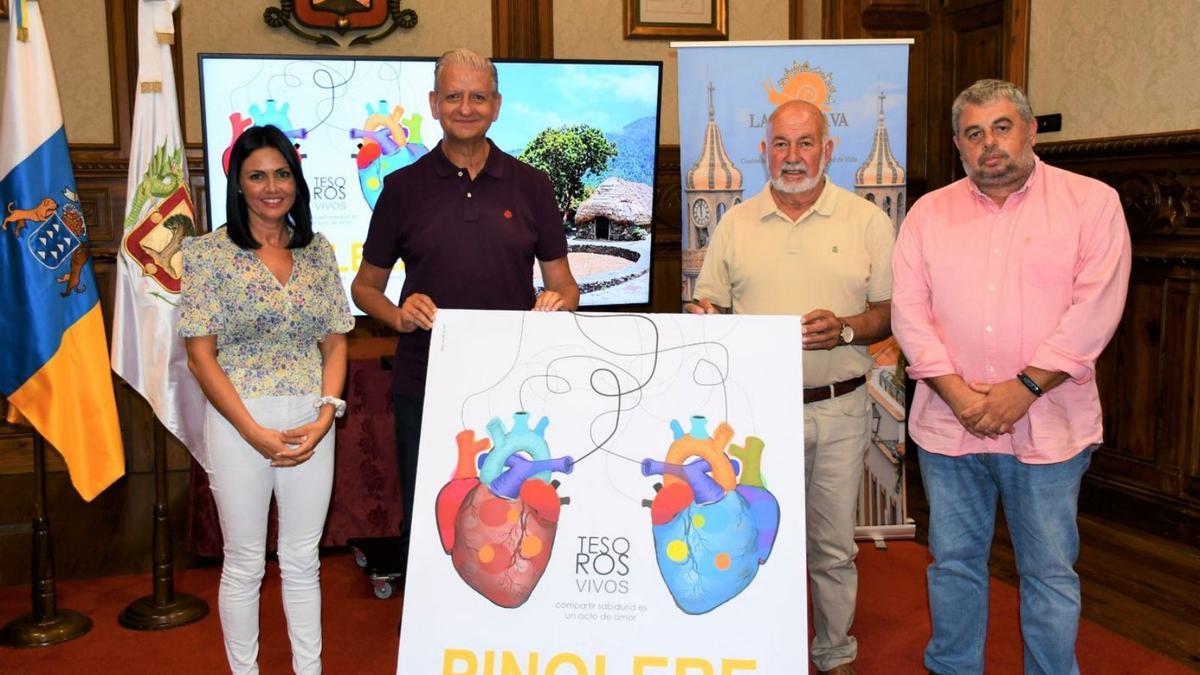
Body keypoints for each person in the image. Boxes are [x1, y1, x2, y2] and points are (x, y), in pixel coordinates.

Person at [891, 79, 1131, 675]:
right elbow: (909, 314)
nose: (989, 144)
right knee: (952, 564)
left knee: (1049, 571)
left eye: (1002, 127)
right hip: (949, 426)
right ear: (958, 145)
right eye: (974, 134)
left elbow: (1095, 309)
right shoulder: (927, 214)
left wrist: (1021, 390)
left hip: (1049, 425)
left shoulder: (1092, 202)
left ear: (1029, 130)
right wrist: (957, 395)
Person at [350, 48, 579, 584]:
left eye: (478, 96)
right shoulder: (402, 189)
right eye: (453, 95)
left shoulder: (533, 186)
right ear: (433, 104)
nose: (466, 107)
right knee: (432, 502)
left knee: (513, 503)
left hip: (517, 386)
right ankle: (427, 631)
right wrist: (398, 314)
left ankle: (507, 610)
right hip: (425, 381)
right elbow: (366, 287)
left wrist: (558, 300)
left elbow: (565, 286)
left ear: (497, 105)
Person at [685, 99, 894, 675]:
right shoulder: (734, 223)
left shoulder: (867, 221)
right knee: (750, 538)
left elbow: (890, 313)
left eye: (806, 143)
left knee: (832, 547)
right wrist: (703, 313)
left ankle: (834, 653)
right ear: (763, 151)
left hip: (839, 409)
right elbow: (712, 304)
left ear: (828, 150)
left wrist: (848, 328)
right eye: (781, 143)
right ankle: (755, 651)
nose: (793, 156)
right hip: (756, 415)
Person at [181, 125, 354, 674]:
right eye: (257, 176)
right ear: (238, 184)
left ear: (297, 182)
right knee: (245, 563)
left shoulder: (319, 250)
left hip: (310, 422)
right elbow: (200, 356)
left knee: (303, 560)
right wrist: (252, 432)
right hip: (239, 425)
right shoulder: (207, 254)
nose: (271, 186)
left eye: (282, 174)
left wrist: (327, 414)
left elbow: (335, 341)